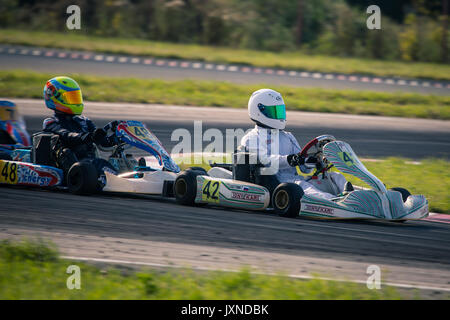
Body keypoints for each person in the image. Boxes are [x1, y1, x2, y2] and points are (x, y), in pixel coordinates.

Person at [240, 88, 348, 200]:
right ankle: (336, 203)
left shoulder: (288, 136)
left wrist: (311, 161)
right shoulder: (251, 138)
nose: (278, 115)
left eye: (280, 111)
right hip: (278, 182)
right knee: (307, 188)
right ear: (259, 111)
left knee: (336, 177)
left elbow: (304, 169)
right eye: (274, 111)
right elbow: (265, 161)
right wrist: (290, 159)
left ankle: (351, 197)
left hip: (297, 179)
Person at [42, 76, 117, 184]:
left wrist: (116, 136)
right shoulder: (50, 122)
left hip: (88, 163)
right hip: (69, 165)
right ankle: (116, 180)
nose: (75, 101)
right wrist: (88, 136)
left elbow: (104, 142)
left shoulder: (84, 121)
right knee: (97, 164)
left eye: (76, 97)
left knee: (110, 160)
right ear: (55, 98)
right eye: (70, 98)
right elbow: (67, 135)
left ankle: (128, 176)